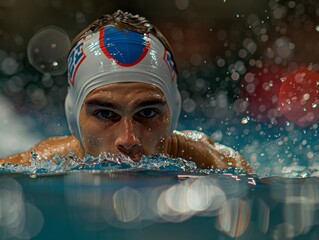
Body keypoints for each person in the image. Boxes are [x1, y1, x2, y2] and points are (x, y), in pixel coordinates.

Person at [0, 10, 252, 172]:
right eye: (104, 114)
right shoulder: (31, 167)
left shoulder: (222, 168)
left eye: (148, 112)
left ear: (173, 114)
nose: (129, 139)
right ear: (73, 118)